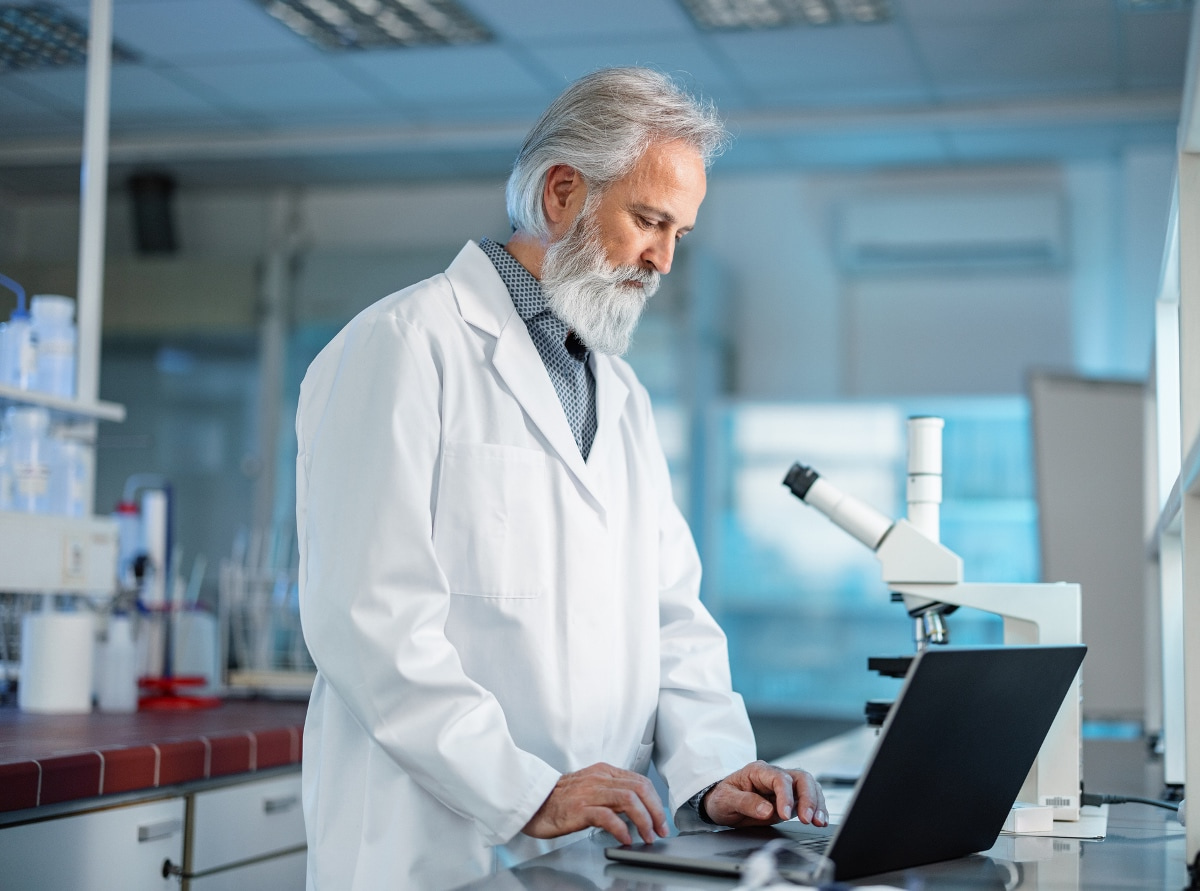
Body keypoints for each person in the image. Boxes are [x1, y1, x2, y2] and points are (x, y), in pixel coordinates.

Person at [295, 67, 826, 890]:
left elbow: (672, 615)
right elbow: (371, 622)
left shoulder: (619, 393)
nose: (662, 259)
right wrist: (526, 790)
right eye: (649, 221)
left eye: (678, 234)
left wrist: (714, 769)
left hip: (593, 854)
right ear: (562, 193)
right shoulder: (404, 346)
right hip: (436, 846)